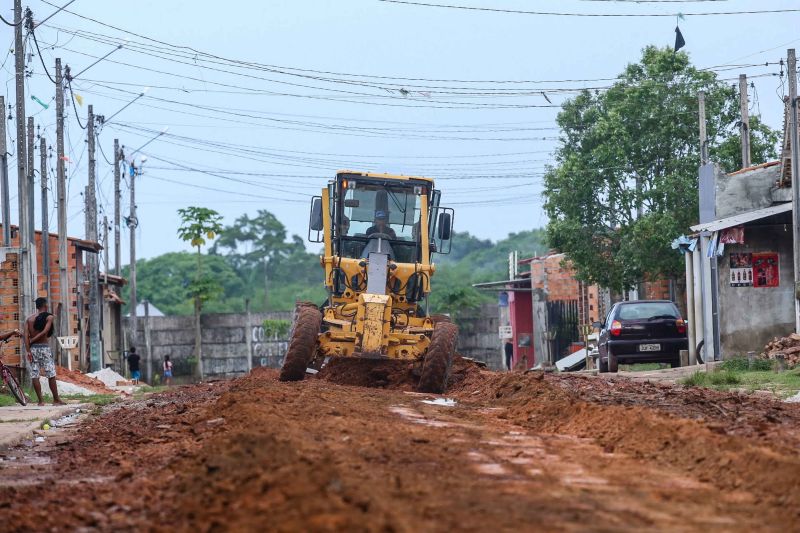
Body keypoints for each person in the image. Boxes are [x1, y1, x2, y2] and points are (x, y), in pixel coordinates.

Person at [25, 297, 63, 406]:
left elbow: (25, 337)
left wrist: (28, 350)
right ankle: (56, 400)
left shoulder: (29, 319)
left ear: (37, 306)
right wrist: (34, 339)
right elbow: (45, 332)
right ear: (45, 305)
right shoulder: (49, 317)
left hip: (33, 349)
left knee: (35, 374)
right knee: (50, 374)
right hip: (44, 348)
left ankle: (41, 401)